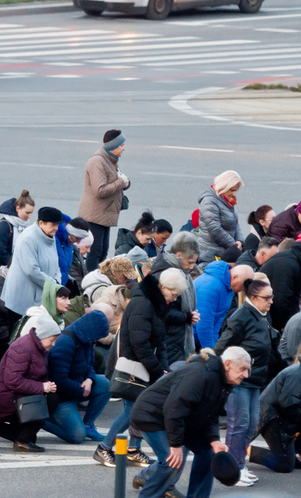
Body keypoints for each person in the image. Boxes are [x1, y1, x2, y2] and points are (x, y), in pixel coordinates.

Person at [93, 269, 189, 469]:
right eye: (174, 294)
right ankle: (104, 448)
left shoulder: (154, 303)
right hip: (132, 364)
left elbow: (159, 340)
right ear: (163, 288)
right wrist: (157, 369)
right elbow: (140, 343)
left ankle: (132, 449)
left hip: (142, 364)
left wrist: (161, 368)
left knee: (138, 409)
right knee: (133, 410)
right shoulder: (143, 304)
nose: (175, 298)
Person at [130, 347, 251, 497]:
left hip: (179, 419)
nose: (246, 375)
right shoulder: (200, 374)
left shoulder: (223, 381)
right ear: (227, 364)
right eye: (243, 369)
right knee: (171, 460)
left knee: (208, 452)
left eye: (248, 370)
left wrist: (213, 440)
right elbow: (174, 408)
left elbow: (211, 415)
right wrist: (175, 445)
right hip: (151, 416)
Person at [214, 279, 274, 486]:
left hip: (255, 379)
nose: (271, 301)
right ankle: (232, 468)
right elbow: (222, 346)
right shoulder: (241, 317)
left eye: (271, 297)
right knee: (238, 425)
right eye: (267, 298)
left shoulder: (262, 314)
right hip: (239, 381)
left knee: (250, 426)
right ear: (253, 298)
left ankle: (238, 462)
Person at [0, 315, 60, 452]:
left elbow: (38, 374)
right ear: (43, 336)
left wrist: (46, 385)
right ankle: (22, 441)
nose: (54, 344)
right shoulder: (23, 347)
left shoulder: (39, 347)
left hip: (19, 395)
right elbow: (12, 381)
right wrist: (42, 387)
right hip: (9, 397)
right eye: (52, 340)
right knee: (50, 401)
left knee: (30, 432)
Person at [248, 351, 301, 473]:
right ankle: (249, 451)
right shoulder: (298, 376)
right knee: (284, 465)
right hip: (272, 417)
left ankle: (291, 454)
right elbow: (288, 408)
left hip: (284, 414)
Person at [44, 309, 111, 444]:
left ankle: (88, 425)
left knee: (107, 383)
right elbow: (59, 380)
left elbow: (90, 364)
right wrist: (81, 390)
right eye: (97, 337)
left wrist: (90, 379)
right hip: (61, 396)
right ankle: (40, 420)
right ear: (91, 331)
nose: (97, 340)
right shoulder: (65, 342)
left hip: (77, 386)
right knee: (77, 436)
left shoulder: (87, 339)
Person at [78, 129, 130, 271]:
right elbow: (100, 190)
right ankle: (90, 282)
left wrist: (125, 182)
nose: (123, 148)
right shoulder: (98, 162)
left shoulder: (110, 160)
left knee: (102, 251)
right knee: (94, 252)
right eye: (121, 145)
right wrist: (120, 182)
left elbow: (118, 179)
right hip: (95, 215)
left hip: (104, 214)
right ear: (113, 146)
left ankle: (99, 279)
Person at [0, 207, 63, 316]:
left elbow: (56, 263)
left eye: (57, 225)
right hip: (22, 298)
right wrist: (53, 285)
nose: (56, 228)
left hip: (40, 294)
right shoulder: (28, 238)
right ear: (41, 223)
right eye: (52, 225)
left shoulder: (49, 235)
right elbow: (31, 270)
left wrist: (57, 281)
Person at [150, 231, 201, 365]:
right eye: (190, 262)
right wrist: (187, 317)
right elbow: (159, 311)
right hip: (168, 339)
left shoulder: (182, 272)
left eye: (194, 263)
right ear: (179, 255)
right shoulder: (163, 275)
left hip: (176, 338)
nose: (192, 267)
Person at [193, 261, 253, 349]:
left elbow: (218, 320)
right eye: (244, 284)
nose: (244, 289)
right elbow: (204, 323)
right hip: (191, 339)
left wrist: (215, 346)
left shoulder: (228, 287)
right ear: (235, 277)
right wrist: (210, 351)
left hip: (200, 339)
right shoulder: (211, 286)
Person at [260, 241, 301, 331]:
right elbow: (282, 298)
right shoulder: (290, 266)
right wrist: (286, 324)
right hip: (270, 315)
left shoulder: (296, 261)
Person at [197, 171, 244, 263]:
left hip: (225, 250)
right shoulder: (209, 201)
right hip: (210, 254)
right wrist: (233, 244)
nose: (234, 194)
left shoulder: (228, 201)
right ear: (223, 186)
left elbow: (235, 223)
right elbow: (215, 229)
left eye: (235, 190)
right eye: (231, 190)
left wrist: (239, 240)